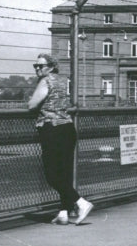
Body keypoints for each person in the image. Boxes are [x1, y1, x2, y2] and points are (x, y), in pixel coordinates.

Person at [26, 54, 93, 226]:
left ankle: (81, 203)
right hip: (67, 128)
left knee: (52, 175)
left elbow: (32, 105)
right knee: (64, 173)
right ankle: (63, 212)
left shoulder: (45, 81)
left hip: (52, 130)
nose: (37, 69)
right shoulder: (62, 81)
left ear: (51, 66)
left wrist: (34, 104)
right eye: (36, 66)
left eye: (40, 66)